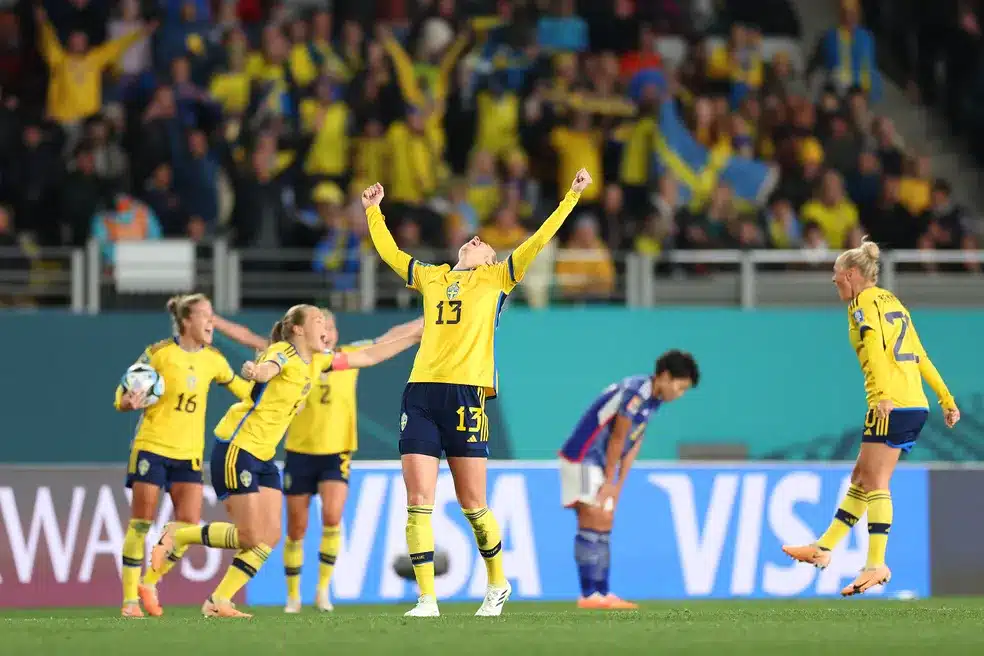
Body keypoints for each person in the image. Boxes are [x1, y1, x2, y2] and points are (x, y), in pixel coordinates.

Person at [361, 168, 593, 618]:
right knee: (418, 501)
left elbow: (540, 238)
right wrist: (374, 212)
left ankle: (497, 583)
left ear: (489, 259)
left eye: (482, 241)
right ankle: (427, 599)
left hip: (467, 395)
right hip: (421, 393)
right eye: (471, 238)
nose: (474, 239)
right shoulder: (430, 277)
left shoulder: (498, 279)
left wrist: (571, 195)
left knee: (472, 503)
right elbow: (391, 253)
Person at [150, 305, 421, 618]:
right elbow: (271, 366)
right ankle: (180, 534)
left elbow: (371, 355)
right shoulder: (282, 352)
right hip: (240, 447)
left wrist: (414, 336)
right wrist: (258, 372)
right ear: (298, 330)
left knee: (270, 537)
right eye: (318, 321)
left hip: (265, 456)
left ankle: (219, 601)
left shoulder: (320, 359)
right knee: (252, 536)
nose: (326, 327)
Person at [783, 238, 960, 596]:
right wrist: (945, 398)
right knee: (861, 477)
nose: (833, 282)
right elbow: (920, 354)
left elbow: (877, 350)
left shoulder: (862, 304)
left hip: (890, 403)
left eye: (836, 275)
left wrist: (881, 396)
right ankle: (824, 548)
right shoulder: (893, 302)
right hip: (913, 403)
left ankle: (876, 564)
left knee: (876, 481)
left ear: (850, 274)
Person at [114, 294, 252, 618]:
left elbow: (244, 392)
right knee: (141, 524)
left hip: (189, 454)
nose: (211, 322)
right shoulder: (160, 353)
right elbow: (124, 390)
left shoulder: (214, 360)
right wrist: (126, 402)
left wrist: (277, 396)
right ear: (187, 320)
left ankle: (148, 582)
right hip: (152, 446)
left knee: (187, 525)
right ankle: (129, 602)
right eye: (205, 315)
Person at [558, 350, 700, 610]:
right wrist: (610, 481)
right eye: (679, 388)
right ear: (665, 377)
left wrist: (618, 486)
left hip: (601, 462)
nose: (679, 395)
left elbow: (634, 441)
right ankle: (589, 595)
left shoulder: (653, 400)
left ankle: (602, 592)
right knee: (592, 518)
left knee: (605, 520)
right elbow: (617, 438)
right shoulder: (636, 392)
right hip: (584, 455)